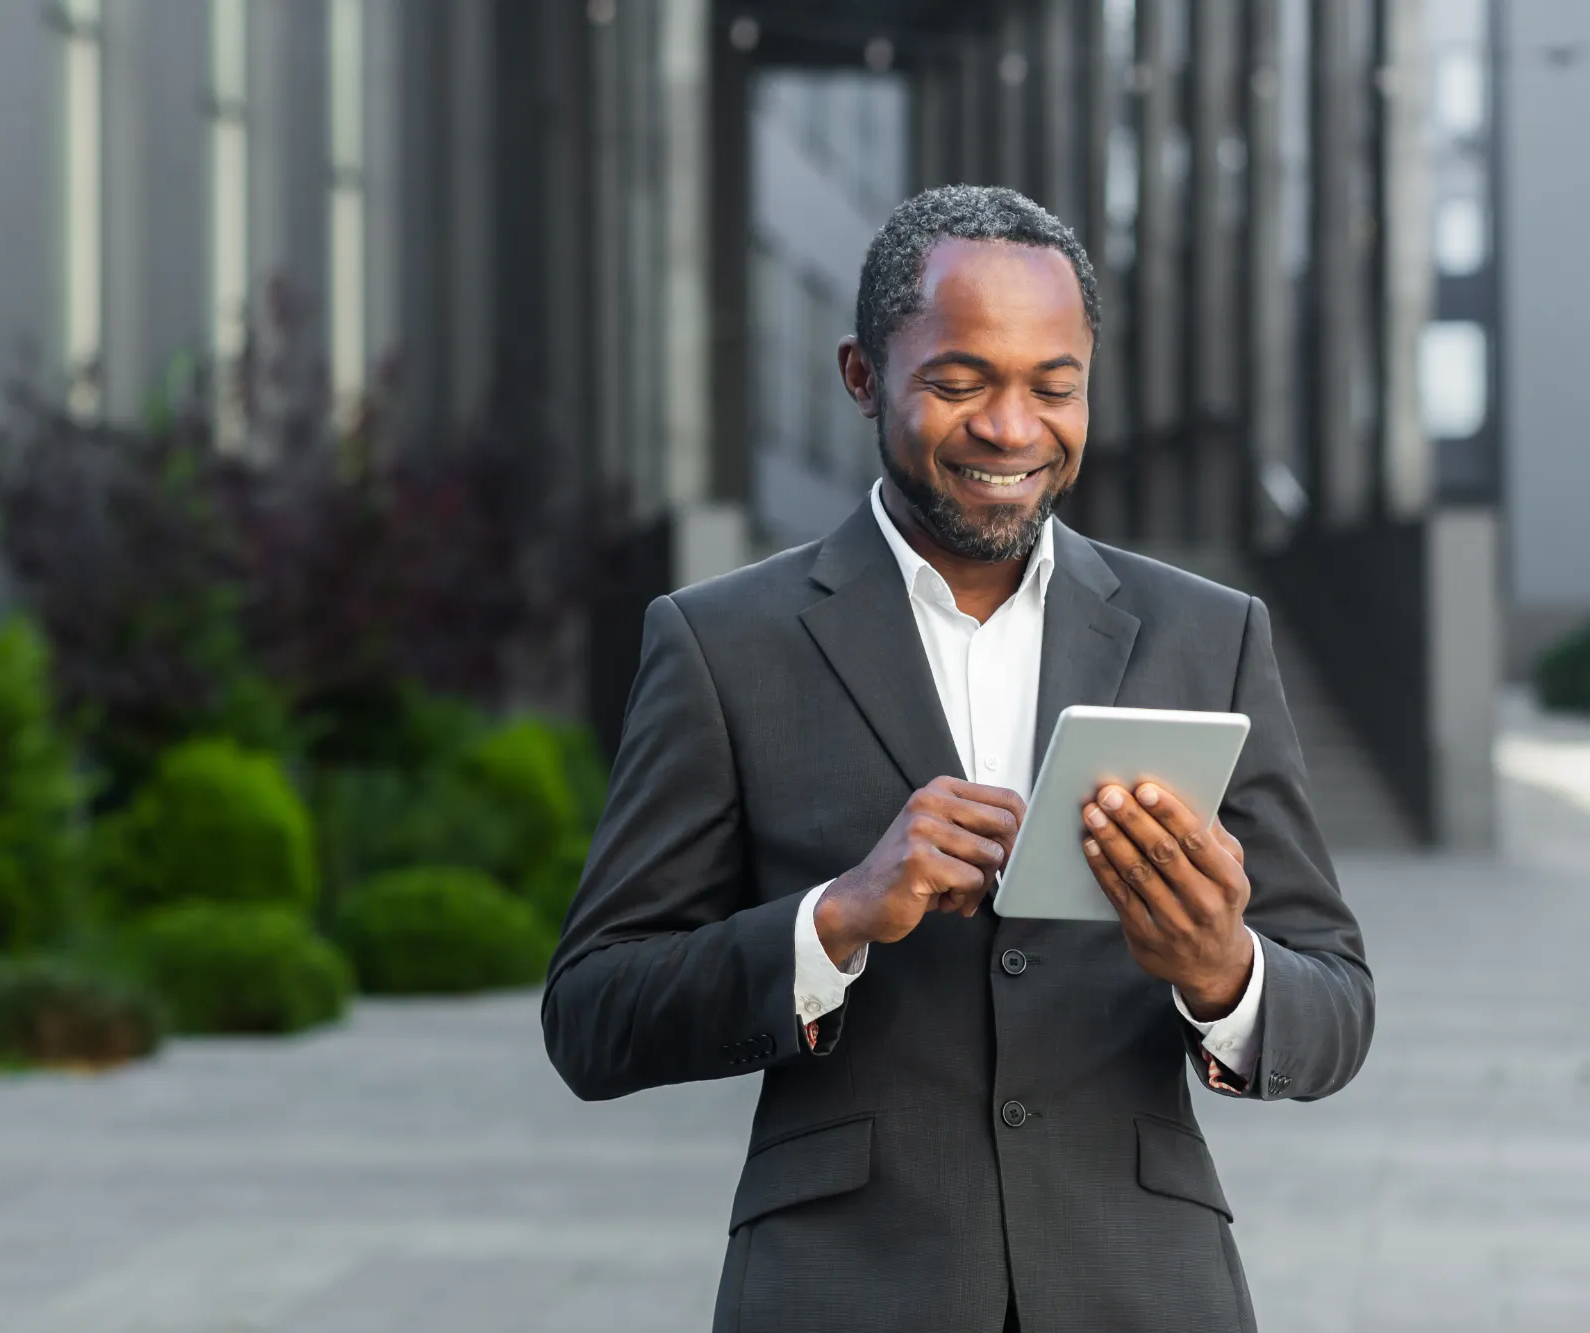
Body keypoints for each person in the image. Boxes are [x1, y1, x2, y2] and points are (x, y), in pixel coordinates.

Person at [541, 185, 1372, 1333]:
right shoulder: (720, 642)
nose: (1010, 427)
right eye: (958, 380)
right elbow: (592, 1015)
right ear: (861, 374)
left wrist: (1220, 967)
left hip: (1143, 1286)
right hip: (839, 1291)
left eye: (1053, 384)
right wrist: (831, 919)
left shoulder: (1207, 634)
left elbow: (1335, 1004)